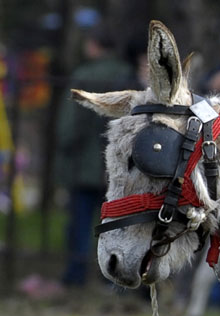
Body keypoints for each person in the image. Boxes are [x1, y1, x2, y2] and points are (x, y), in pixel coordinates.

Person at [58, 26, 134, 288]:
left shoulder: (84, 74)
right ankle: (114, 279)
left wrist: (66, 146)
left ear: (94, 45)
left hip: (84, 164)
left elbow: (69, 125)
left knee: (80, 224)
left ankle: (76, 274)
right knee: (116, 222)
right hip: (118, 164)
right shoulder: (127, 74)